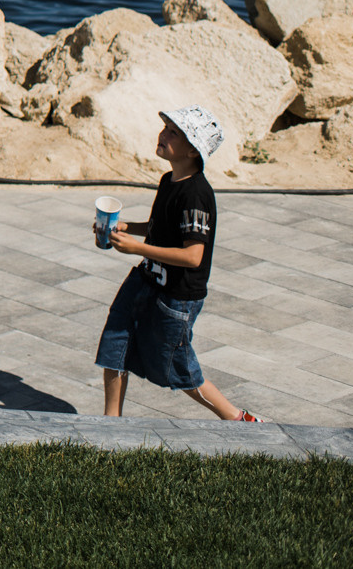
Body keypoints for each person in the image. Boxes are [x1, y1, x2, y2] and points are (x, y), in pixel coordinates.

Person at [95, 105, 258, 422]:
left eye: (174, 132)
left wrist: (138, 248)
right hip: (146, 281)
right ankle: (109, 421)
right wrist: (128, 228)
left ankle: (236, 417)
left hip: (176, 298)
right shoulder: (169, 179)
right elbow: (162, 228)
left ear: (193, 150)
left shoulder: (196, 194)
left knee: (176, 365)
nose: (162, 135)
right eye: (165, 128)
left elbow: (192, 256)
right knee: (116, 341)